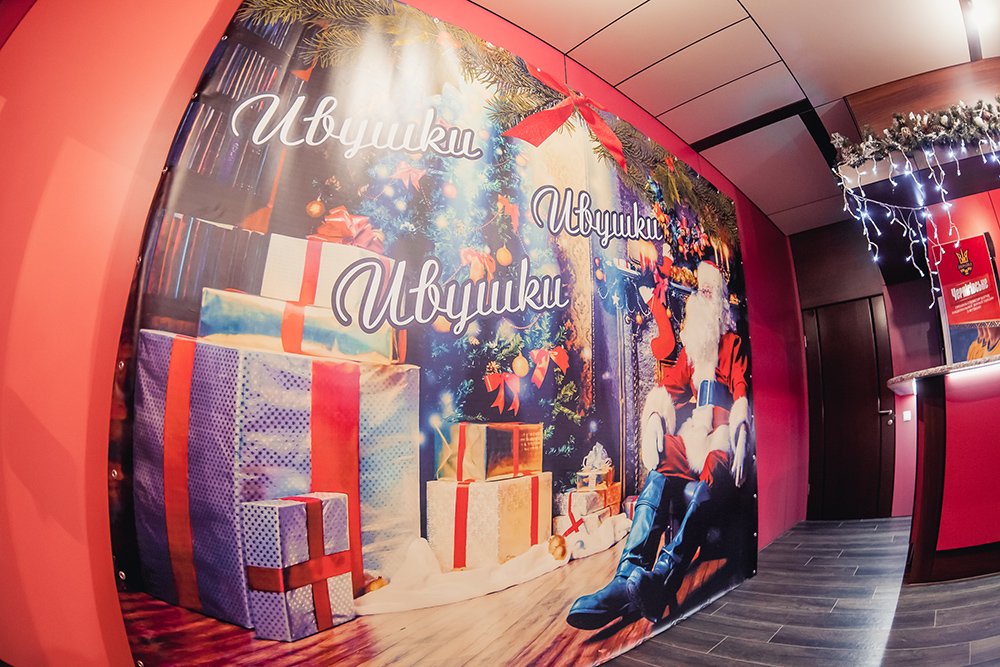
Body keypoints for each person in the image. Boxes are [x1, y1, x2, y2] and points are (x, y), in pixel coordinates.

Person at [567, 261, 751, 629]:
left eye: (709, 292)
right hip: (694, 434)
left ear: (719, 304)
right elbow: (669, 388)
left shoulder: (732, 344)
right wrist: (654, 416)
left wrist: (742, 428)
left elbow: (741, 387)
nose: (702, 297)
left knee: (714, 466)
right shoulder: (691, 349)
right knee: (662, 461)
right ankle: (626, 578)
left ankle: (664, 577)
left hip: (721, 435)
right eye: (699, 292)